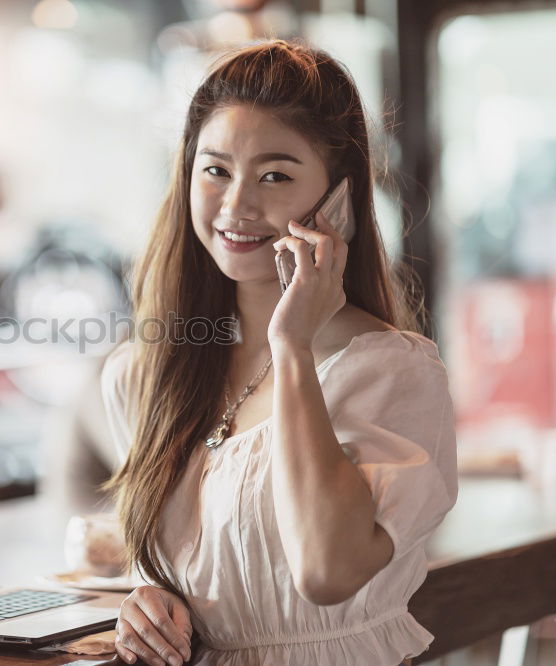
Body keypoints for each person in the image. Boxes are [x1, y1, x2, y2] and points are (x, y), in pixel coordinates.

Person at [99, 39, 458, 666]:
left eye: (275, 176)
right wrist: (145, 599)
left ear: (339, 201)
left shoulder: (392, 371)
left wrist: (291, 346)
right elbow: (182, 563)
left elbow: (327, 570)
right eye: (215, 170)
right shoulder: (144, 372)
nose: (237, 205)